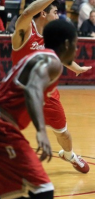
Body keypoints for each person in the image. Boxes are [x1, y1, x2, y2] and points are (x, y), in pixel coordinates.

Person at [0, 19, 77, 199]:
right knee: (43, 189)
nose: (76, 49)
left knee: (11, 193)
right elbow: (33, 88)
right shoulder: (52, 61)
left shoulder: (38, 55)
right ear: (66, 44)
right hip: (4, 128)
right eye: (76, 44)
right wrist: (41, 131)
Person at [11, 0, 90, 173]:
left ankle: (69, 155)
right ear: (44, 13)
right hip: (18, 93)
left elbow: (60, 56)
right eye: (55, 12)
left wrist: (77, 69)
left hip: (46, 95)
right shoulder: (25, 30)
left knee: (63, 134)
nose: (58, 16)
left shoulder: (50, 37)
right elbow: (26, 13)